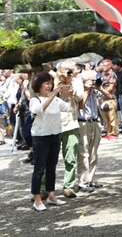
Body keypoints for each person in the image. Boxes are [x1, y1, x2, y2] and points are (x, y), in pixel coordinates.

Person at [29, 71, 70, 211]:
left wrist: (69, 94)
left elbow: (70, 108)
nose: (49, 86)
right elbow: (39, 110)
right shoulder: (35, 100)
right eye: (46, 83)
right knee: (39, 168)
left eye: (51, 83)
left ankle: (52, 195)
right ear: (38, 85)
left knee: (52, 167)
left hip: (55, 135)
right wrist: (53, 95)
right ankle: (37, 198)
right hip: (40, 137)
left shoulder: (56, 100)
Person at [55, 62, 83, 198]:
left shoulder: (77, 82)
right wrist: (57, 81)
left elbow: (79, 97)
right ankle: (44, 188)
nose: (68, 73)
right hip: (53, 124)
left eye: (70, 70)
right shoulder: (52, 81)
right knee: (49, 158)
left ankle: (69, 186)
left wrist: (71, 86)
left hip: (71, 123)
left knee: (70, 157)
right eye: (65, 70)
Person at [77, 70, 103, 192]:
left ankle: (90, 180)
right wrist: (87, 90)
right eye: (91, 80)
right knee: (84, 152)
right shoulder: (79, 90)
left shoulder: (95, 90)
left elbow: (108, 96)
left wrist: (99, 88)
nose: (93, 82)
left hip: (95, 121)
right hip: (83, 122)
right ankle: (82, 182)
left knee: (93, 153)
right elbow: (80, 105)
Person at [98, 59, 118, 140]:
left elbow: (111, 87)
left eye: (105, 65)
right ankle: (108, 132)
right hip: (102, 98)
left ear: (110, 66)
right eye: (102, 65)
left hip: (110, 97)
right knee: (105, 117)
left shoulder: (112, 75)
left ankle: (114, 133)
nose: (103, 67)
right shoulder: (102, 74)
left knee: (111, 116)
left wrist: (102, 91)